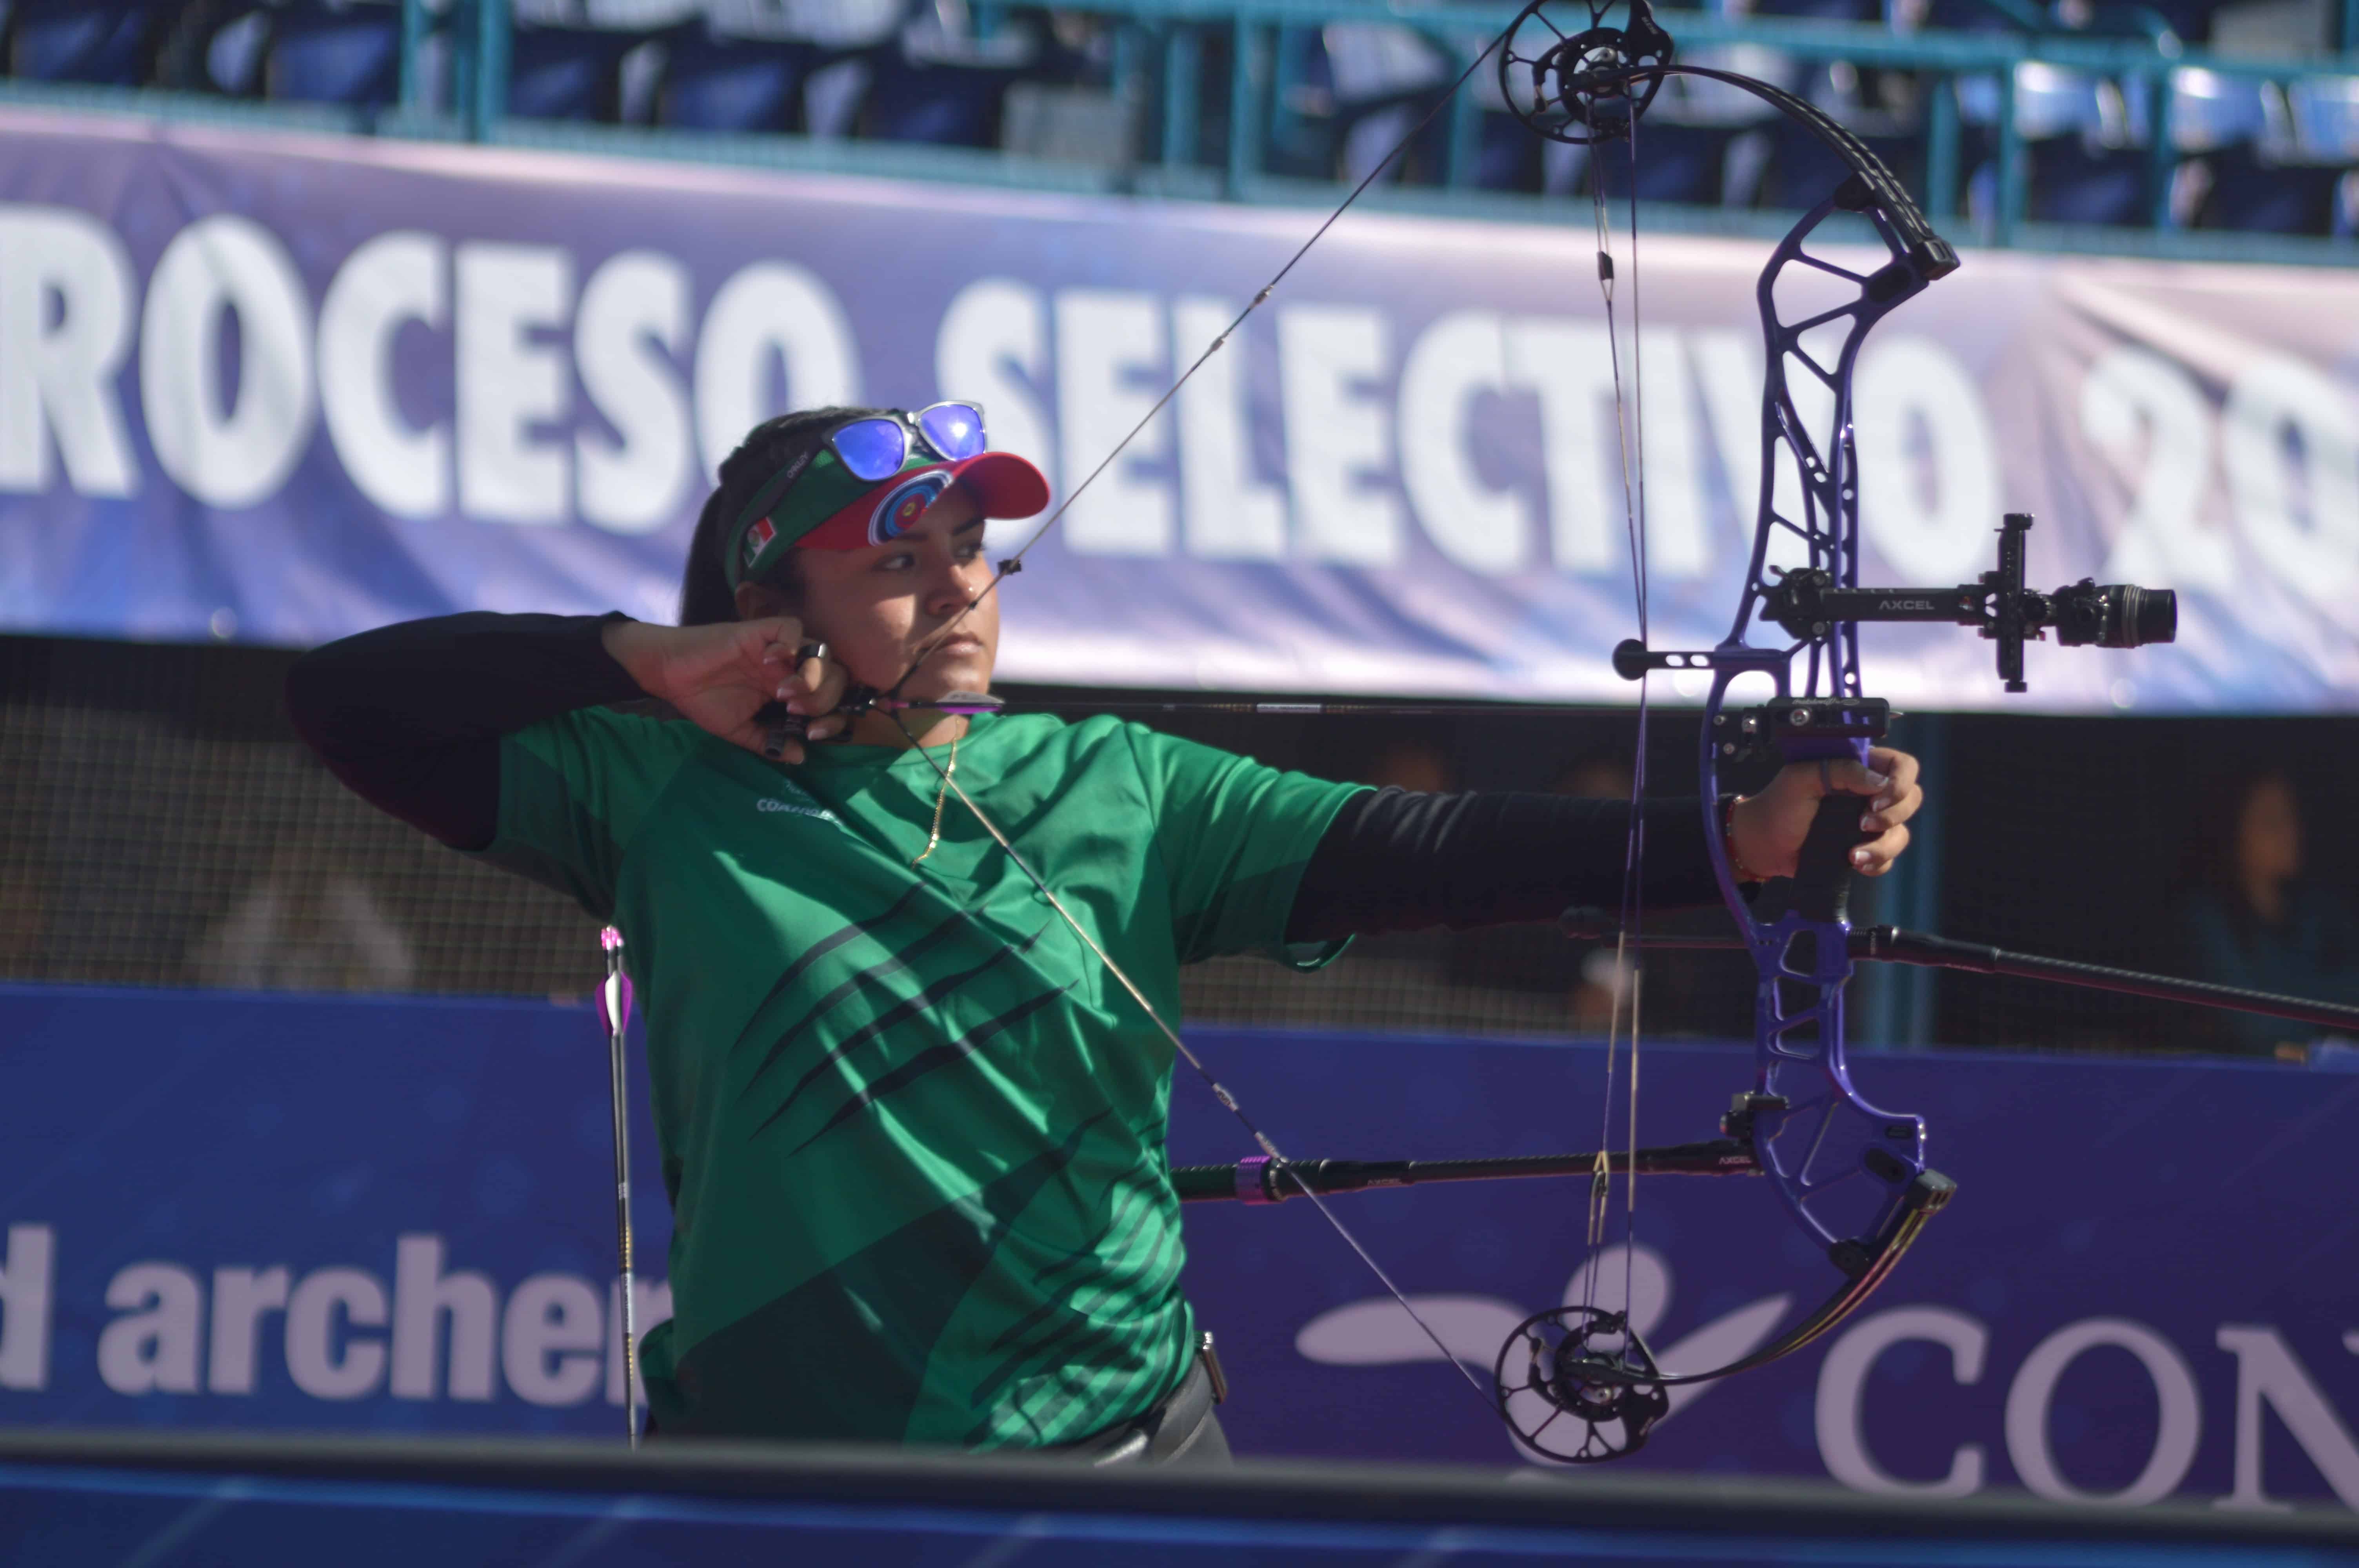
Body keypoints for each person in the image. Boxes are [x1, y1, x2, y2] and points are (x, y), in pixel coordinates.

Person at [286, 402, 1923, 1463]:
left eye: (973, 552)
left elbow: (1422, 849)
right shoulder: (655, 791)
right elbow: (345, 698)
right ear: (767, 600)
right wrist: (644, 655)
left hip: (1125, 1457)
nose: (962, 591)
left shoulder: (1115, 786)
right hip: (780, 1476)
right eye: (899, 560)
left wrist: (1744, 838)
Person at [2176, 769, 2359, 1057]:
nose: (2291, 833)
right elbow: (2255, 1030)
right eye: (2271, 822)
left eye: (2293, 818)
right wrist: (2324, 1009)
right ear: (2232, 831)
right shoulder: (2206, 920)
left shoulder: (2320, 911)